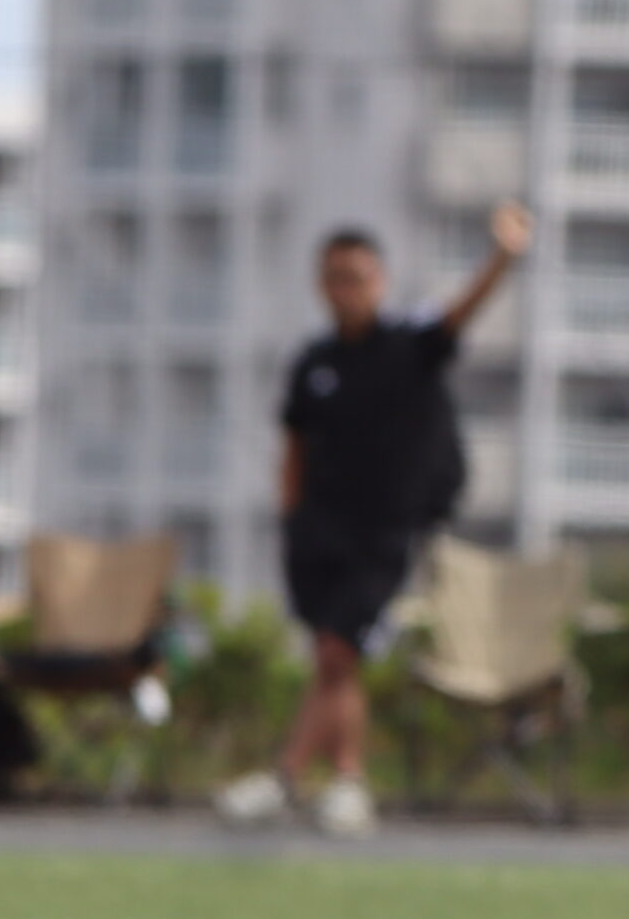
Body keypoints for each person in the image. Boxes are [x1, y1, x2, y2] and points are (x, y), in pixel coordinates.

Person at [216, 202, 533, 836]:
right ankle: (322, 780)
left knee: (338, 649)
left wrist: (502, 256)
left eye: (359, 277)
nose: (348, 289)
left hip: (384, 532)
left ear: (380, 281)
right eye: (337, 278)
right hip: (318, 531)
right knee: (335, 659)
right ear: (322, 284)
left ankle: (317, 777)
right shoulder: (314, 362)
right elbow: (293, 447)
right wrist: (292, 520)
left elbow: (460, 312)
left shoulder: (408, 346)